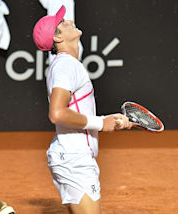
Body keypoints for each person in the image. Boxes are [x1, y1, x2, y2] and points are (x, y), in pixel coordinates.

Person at [32, 5, 132, 214]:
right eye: (62, 23)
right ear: (58, 38)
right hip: (74, 160)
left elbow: (75, 109)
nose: (68, 20)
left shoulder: (64, 65)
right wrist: (100, 123)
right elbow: (57, 113)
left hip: (71, 156)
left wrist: (110, 119)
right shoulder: (67, 66)